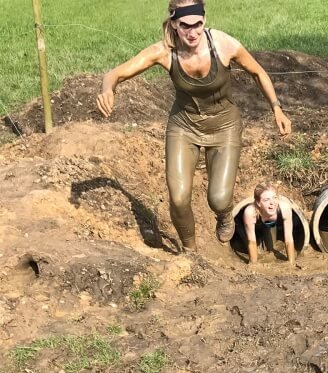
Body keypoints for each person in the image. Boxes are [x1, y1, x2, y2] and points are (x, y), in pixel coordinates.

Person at [96, 0, 291, 251]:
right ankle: (190, 251)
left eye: (198, 24)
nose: (193, 32)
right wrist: (107, 89)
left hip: (224, 127)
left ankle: (224, 215)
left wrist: (276, 108)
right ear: (174, 24)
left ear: (204, 20)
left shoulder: (222, 44)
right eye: (185, 26)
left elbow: (258, 72)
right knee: (178, 199)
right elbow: (115, 74)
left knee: (219, 199)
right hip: (184, 127)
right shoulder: (165, 52)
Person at [242, 181, 295, 265]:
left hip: (273, 224)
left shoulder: (284, 209)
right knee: (246, 244)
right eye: (266, 200)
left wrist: (291, 263)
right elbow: (251, 241)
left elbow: (289, 239)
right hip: (254, 225)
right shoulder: (250, 212)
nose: (272, 203)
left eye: (274, 198)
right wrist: (254, 265)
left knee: (270, 245)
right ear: (258, 203)